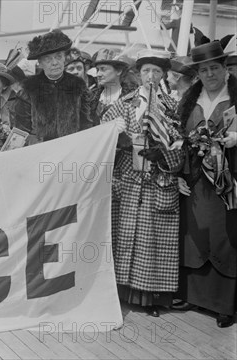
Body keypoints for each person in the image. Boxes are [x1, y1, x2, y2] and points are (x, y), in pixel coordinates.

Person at [101, 49, 184, 318]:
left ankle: (150, 299)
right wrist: (119, 142)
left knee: (153, 239)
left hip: (158, 180)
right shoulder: (125, 103)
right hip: (128, 181)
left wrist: (164, 153)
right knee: (125, 236)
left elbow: (184, 145)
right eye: (146, 71)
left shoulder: (173, 107)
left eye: (156, 72)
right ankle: (121, 293)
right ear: (138, 74)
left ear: (164, 76)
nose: (151, 76)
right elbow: (102, 131)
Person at [174, 41, 237, 328]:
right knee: (194, 235)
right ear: (197, 73)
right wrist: (177, 174)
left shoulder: (234, 97)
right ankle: (193, 296)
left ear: (225, 69)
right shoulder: (190, 101)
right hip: (195, 181)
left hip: (228, 180)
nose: (210, 74)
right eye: (204, 69)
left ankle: (224, 304)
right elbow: (176, 140)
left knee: (224, 235)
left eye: (215, 68)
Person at [15, 30, 93, 143]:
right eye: (48, 59)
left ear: (64, 58)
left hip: (72, 150)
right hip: (40, 152)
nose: (54, 62)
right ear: (40, 63)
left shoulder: (78, 86)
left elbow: (86, 123)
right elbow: (21, 130)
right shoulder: (29, 89)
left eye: (58, 56)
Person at [90, 48, 136, 122]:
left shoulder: (132, 98)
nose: (98, 74)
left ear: (119, 71)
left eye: (103, 69)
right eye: (97, 70)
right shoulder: (90, 97)